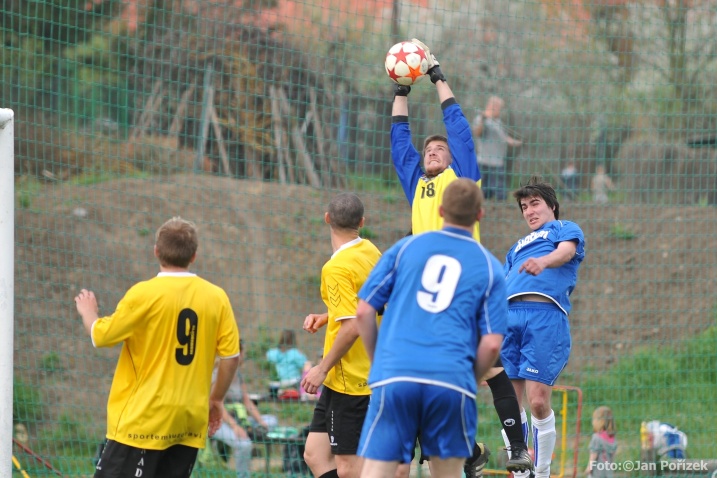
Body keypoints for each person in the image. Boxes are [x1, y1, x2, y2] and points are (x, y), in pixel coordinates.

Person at [390, 38, 532, 477]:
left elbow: (458, 129)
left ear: (454, 159)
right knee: (433, 376)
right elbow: (399, 141)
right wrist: (401, 89)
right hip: (426, 292)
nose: (432, 152)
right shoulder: (417, 184)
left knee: (490, 370)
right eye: (428, 150)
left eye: (440, 149)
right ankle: (468, 451)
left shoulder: (462, 176)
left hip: (463, 286)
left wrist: (437, 77)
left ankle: (518, 448)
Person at [354, 178, 506, 478]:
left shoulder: (405, 248)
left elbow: (364, 311)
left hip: (396, 374)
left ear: (440, 210)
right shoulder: (490, 267)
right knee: (448, 472)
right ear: (479, 215)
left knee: (377, 470)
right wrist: (469, 380)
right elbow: (491, 344)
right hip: (451, 380)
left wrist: (379, 363)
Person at [74, 216, 240, 478]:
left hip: (143, 421)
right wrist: (216, 399)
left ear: (156, 251)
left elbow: (101, 336)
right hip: (187, 423)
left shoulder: (144, 294)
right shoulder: (216, 297)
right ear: (193, 256)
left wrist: (88, 312)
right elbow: (231, 357)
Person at [501, 177, 586, 478]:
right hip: (508, 317)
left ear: (552, 205)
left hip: (544, 316)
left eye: (534, 203)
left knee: (537, 401)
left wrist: (544, 261)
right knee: (508, 403)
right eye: (524, 207)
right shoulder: (515, 248)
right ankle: (521, 473)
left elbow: (566, 252)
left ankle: (542, 472)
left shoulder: (564, 228)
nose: (529, 211)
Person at [301, 192, 382, 478]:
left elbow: (352, 326)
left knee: (349, 469)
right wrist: (328, 316)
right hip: (342, 380)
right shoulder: (371, 251)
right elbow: (366, 305)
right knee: (315, 454)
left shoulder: (335, 268)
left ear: (327, 219)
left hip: (354, 380)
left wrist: (321, 368)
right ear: (362, 222)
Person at [208, 341, 273, 478]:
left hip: (239, 418)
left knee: (272, 421)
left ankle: (250, 432)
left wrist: (261, 421)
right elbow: (217, 405)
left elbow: (247, 402)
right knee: (244, 445)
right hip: (219, 421)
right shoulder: (217, 374)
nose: (243, 356)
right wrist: (235, 427)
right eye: (242, 353)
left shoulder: (237, 374)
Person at [473, 96, 522, 201]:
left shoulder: (498, 122)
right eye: (499, 108)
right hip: (483, 162)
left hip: (497, 162)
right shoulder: (481, 119)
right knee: (480, 191)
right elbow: (477, 132)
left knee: (500, 192)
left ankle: (499, 208)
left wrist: (518, 142)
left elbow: (505, 139)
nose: (500, 111)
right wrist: (483, 119)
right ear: (492, 106)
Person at [586, 406, 617, 478]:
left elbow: (594, 454)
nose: (592, 422)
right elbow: (612, 457)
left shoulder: (596, 438)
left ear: (601, 421)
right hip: (608, 473)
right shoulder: (612, 438)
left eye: (594, 419)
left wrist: (589, 467)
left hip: (597, 473)